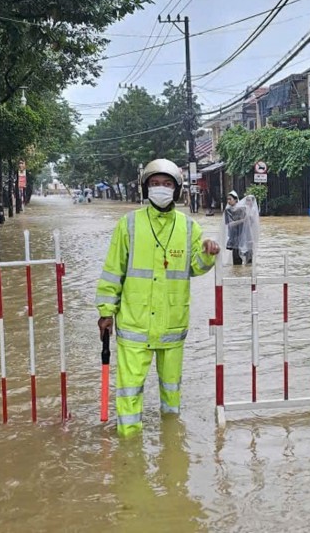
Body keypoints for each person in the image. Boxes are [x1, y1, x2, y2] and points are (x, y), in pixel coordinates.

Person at [96, 159, 220, 436]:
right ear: (145, 188)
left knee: (172, 389)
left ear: (176, 190)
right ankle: (128, 445)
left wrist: (208, 254)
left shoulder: (188, 228)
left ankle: (172, 439)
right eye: (154, 184)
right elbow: (113, 271)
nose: (160, 189)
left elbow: (194, 268)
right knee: (129, 389)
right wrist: (106, 311)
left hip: (172, 324)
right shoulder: (128, 224)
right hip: (133, 324)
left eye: (166, 184)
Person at [223, 190, 246, 265]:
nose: (228, 201)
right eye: (227, 199)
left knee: (247, 261)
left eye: (230, 199)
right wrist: (242, 221)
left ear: (236, 200)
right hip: (234, 238)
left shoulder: (242, 209)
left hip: (243, 238)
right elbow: (229, 224)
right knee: (236, 261)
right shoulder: (227, 210)